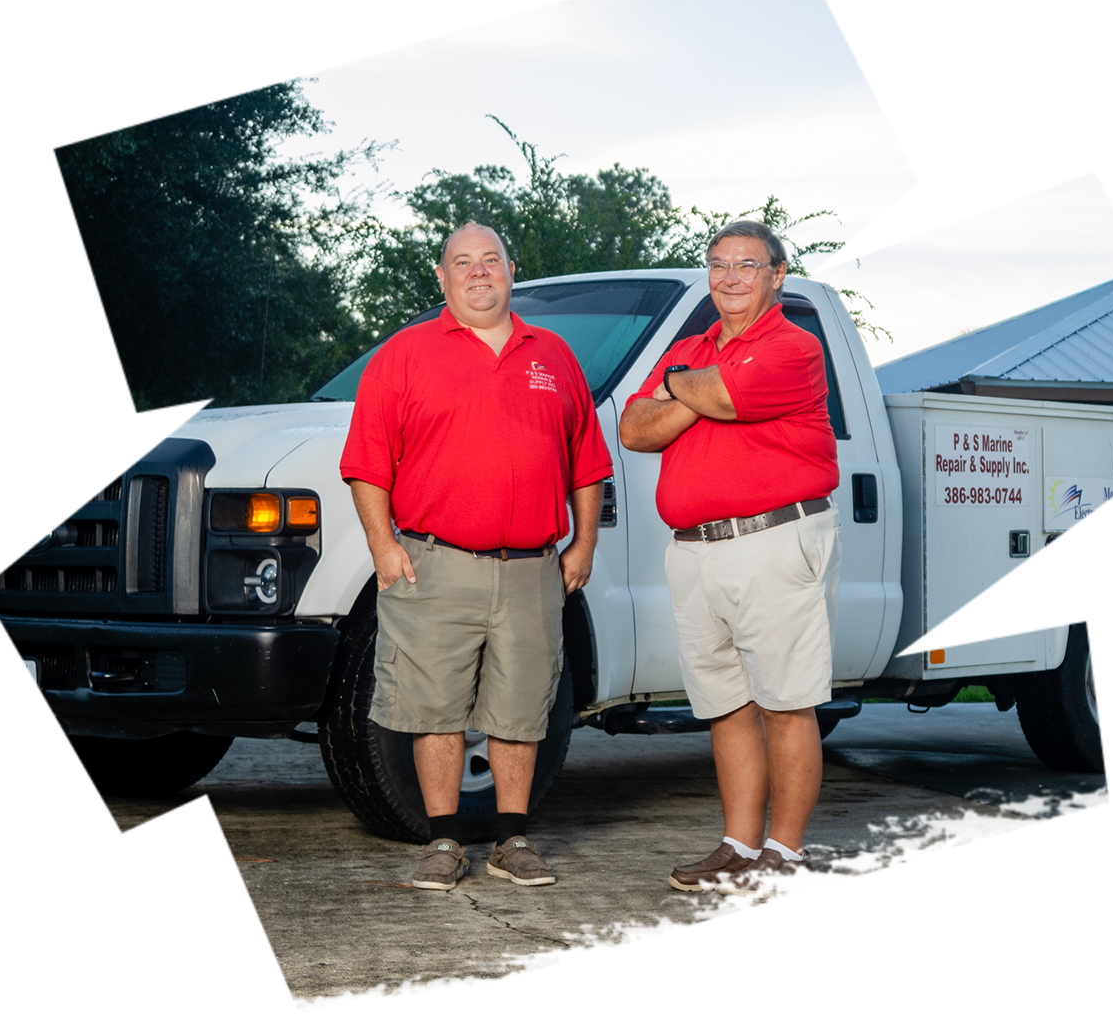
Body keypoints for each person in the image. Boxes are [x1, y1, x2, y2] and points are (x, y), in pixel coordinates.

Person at [340, 222, 612, 891]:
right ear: (442, 278)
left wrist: (583, 542)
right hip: (435, 564)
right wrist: (383, 547)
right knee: (433, 706)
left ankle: (511, 838)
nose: (478, 271)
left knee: (521, 706)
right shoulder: (402, 356)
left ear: (510, 271)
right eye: (462, 261)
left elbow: (586, 461)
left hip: (531, 568)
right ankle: (442, 842)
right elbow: (366, 463)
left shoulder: (551, 355)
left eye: (490, 260)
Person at [618, 220, 841, 899]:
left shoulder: (793, 346)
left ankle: (788, 853)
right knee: (725, 705)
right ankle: (740, 845)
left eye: (747, 265)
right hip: (696, 550)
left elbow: (723, 398)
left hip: (772, 541)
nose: (730, 277)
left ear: (777, 275)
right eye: (718, 264)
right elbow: (633, 429)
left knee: (785, 701)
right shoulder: (690, 349)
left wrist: (681, 389)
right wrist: (699, 385)